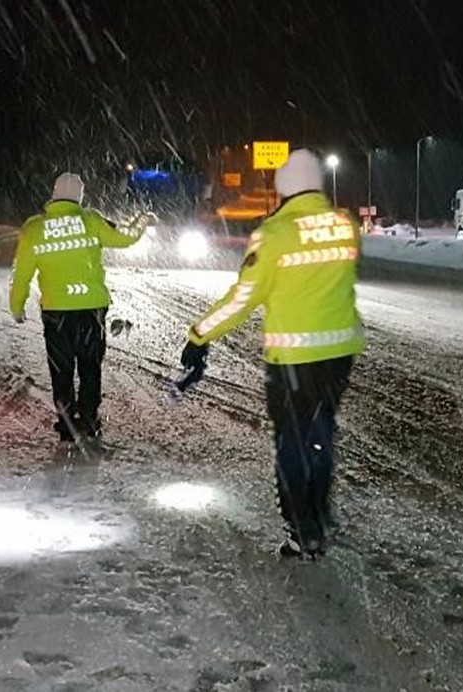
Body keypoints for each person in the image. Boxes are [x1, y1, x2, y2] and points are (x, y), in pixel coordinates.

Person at [178, 149, 364, 560]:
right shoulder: (345, 226)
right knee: (320, 434)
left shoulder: (275, 233)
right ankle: (318, 512)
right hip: (339, 354)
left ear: (283, 188)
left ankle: (303, 529)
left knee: (292, 444)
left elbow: (243, 298)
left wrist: (199, 334)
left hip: (293, 360)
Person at [10, 172, 142, 445]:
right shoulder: (91, 221)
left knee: (61, 368)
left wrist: (17, 305)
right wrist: (141, 223)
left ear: (54, 194)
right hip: (91, 308)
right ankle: (90, 420)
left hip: (57, 311)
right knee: (90, 367)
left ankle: (68, 424)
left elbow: (22, 274)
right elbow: (125, 239)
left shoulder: (34, 229)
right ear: (80, 196)